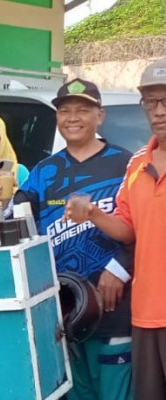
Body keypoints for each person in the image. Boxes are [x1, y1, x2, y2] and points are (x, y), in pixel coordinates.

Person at [0, 79, 133, 400]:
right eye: (65, 110)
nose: (72, 118)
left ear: (100, 116)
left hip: (116, 309)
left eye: (83, 110)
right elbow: (14, 228)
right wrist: (1, 201)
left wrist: (120, 268)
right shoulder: (44, 171)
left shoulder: (125, 165)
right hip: (65, 312)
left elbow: (145, 229)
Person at [64, 58, 166, 400]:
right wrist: (93, 213)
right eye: (150, 102)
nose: (158, 110)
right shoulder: (137, 164)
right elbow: (128, 229)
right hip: (146, 314)